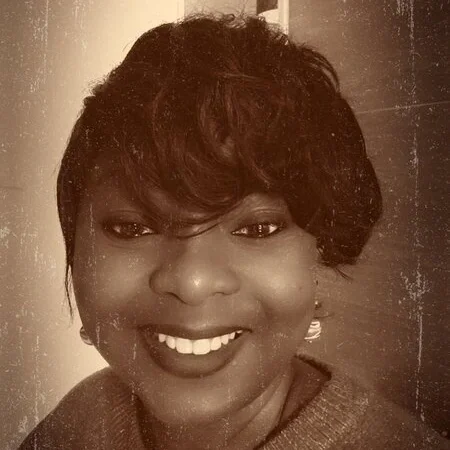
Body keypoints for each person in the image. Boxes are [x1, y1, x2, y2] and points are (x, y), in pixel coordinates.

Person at [18, 14, 449, 450]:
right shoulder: (78, 421)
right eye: (133, 228)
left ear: (319, 256)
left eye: (257, 228)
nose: (192, 282)